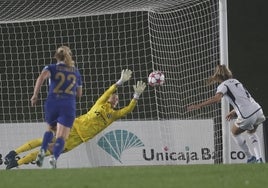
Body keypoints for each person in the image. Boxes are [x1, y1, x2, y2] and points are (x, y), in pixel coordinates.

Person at [5, 70, 146, 169]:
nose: (115, 99)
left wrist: (136, 96)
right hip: (72, 127)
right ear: (109, 99)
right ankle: (14, 153)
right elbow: (107, 92)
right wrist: (119, 82)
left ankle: (16, 163)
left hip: (77, 139)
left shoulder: (113, 115)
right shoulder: (100, 104)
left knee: (47, 151)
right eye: (113, 97)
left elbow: (127, 110)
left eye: (117, 99)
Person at [187, 64, 265, 163]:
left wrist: (199, 105)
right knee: (252, 132)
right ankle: (259, 159)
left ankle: (250, 157)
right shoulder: (236, 81)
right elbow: (244, 99)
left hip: (247, 115)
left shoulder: (223, 86)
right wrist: (233, 111)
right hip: (257, 110)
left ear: (217, 76)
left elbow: (217, 99)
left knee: (234, 132)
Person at [30, 46, 83, 168]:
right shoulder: (75, 71)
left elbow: (41, 78)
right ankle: (54, 158)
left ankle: (43, 150)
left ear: (56, 56)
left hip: (52, 102)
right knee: (62, 137)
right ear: (69, 55)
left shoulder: (51, 67)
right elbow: (79, 94)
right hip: (68, 105)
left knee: (49, 129)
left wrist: (35, 95)